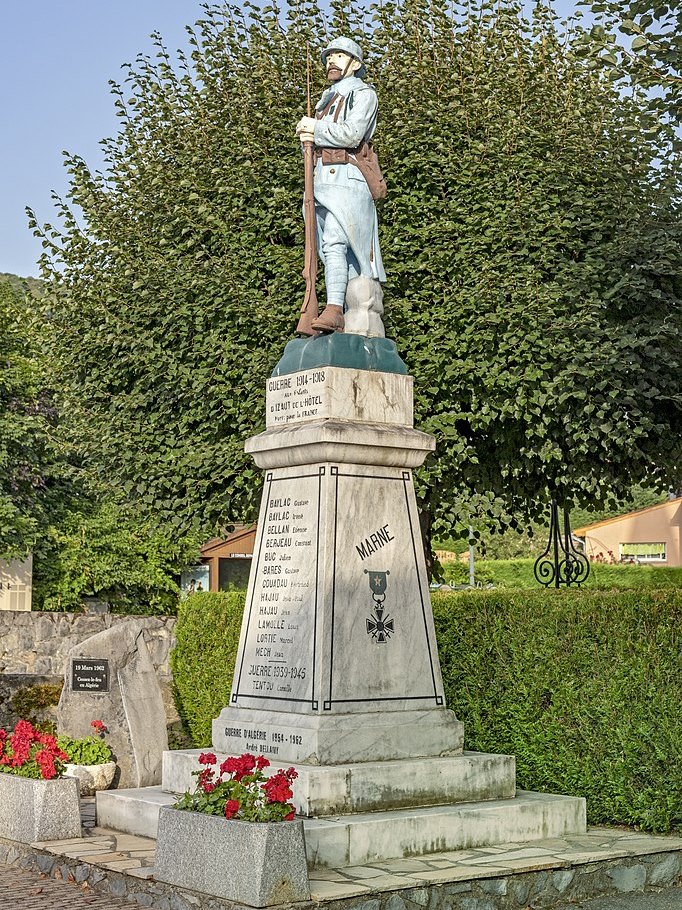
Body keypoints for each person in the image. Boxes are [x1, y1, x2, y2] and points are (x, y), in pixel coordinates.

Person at [296, 37, 386, 334]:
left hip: (348, 180)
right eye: (329, 55)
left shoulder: (363, 94)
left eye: (338, 55)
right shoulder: (325, 99)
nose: (330, 60)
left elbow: (351, 134)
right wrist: (307, 140)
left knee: (335, 239)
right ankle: (336, 307)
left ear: (355, 63)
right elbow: (317, 147)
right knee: (327, 248)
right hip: (322, 181)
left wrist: (315, 129)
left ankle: (334, 309)